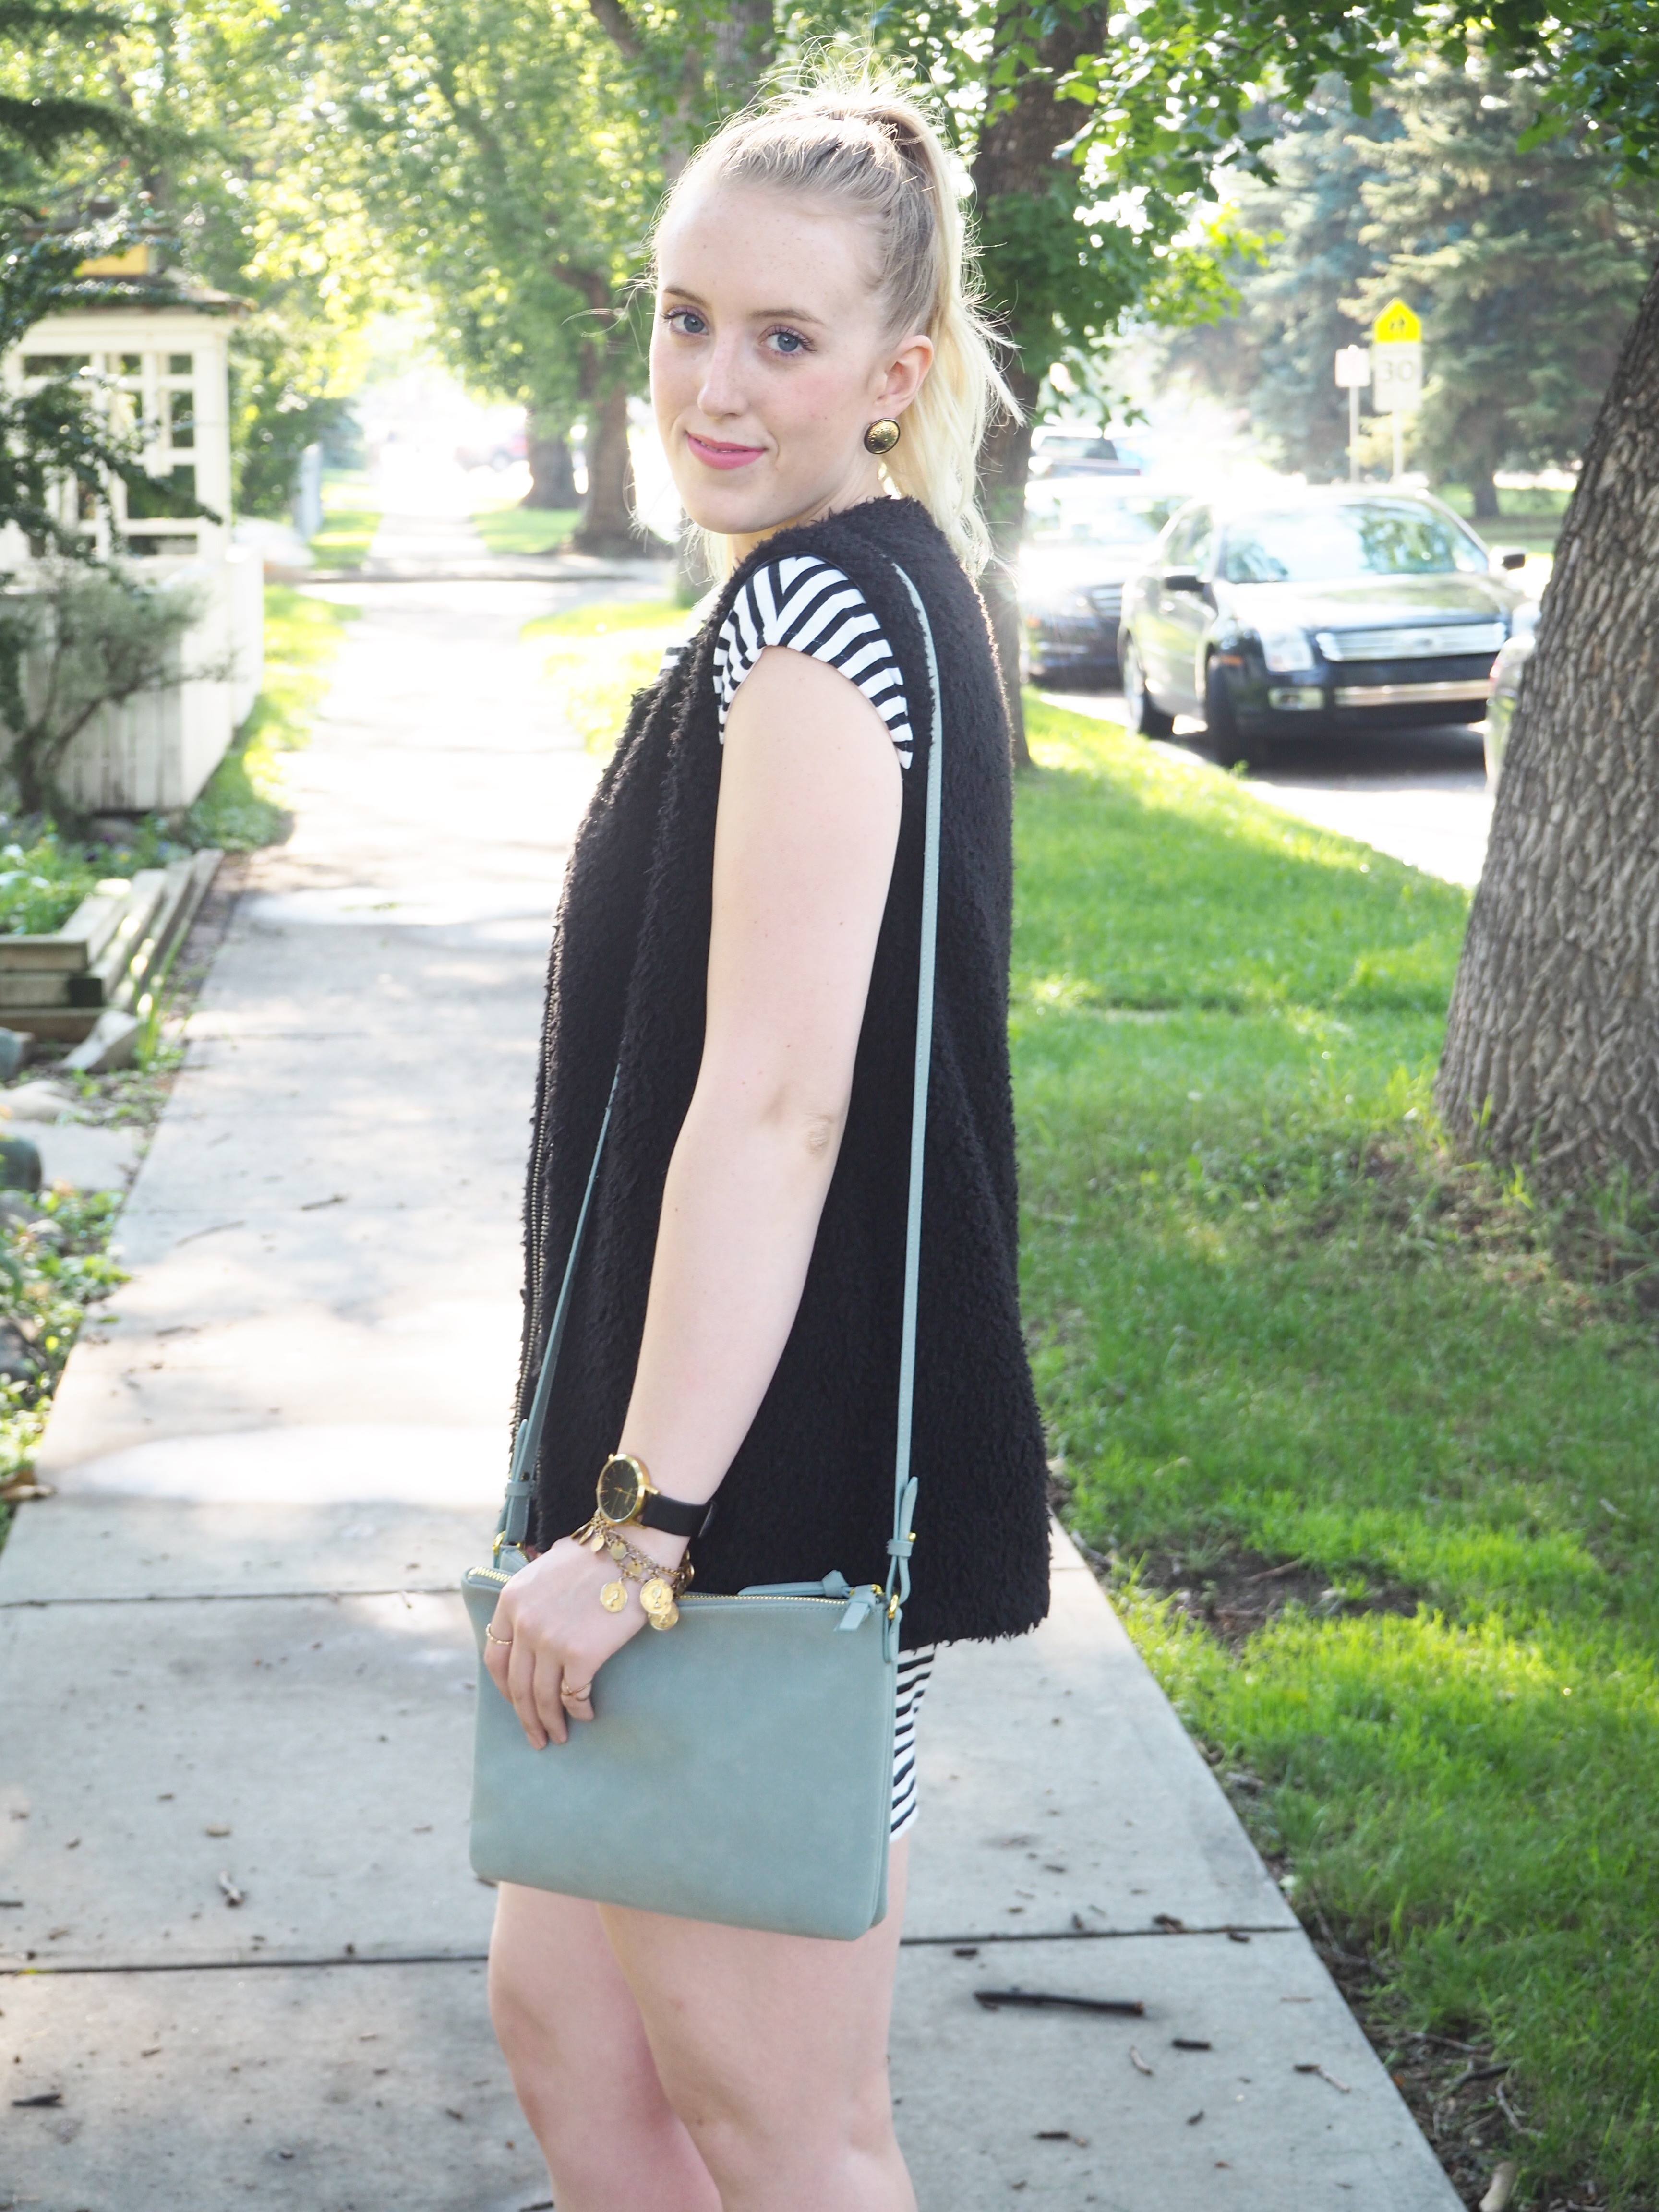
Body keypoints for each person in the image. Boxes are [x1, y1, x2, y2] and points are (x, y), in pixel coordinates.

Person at [481, 76, 1052, 2212]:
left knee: (782, 2132)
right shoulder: (825, 592)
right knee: (578, 2040)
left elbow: (781, 1105)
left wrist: (638, 1535)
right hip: (697, 1477)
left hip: (754, 1509)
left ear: (898, 374)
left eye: (787, 339)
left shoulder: (827, 625)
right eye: (683, 315)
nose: (714, 383)